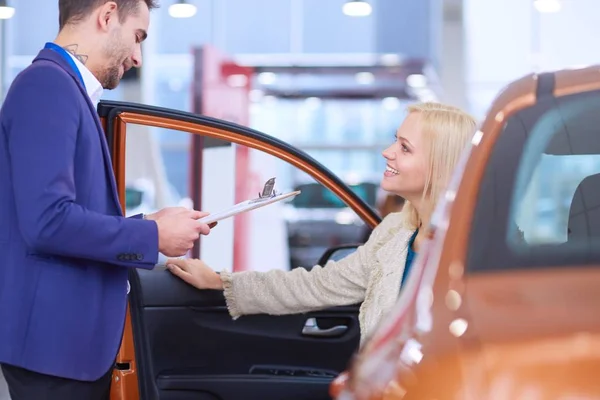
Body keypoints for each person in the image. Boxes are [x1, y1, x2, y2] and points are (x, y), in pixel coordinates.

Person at [0, 1, 212, 399]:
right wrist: (151, 235)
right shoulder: (47, 86)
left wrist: (151, 223)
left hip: (61, 348)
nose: (137, 56)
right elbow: (47, 222)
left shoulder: (65, 89)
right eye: (138, 37)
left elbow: (64, 215)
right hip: (53, 351)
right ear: (107, 14)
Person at [166, 102, 477, 346]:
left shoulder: (483, 248)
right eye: (395, 140)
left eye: (404, 148)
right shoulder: (395, 232)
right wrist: (223, 283)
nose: (387, 152)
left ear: (440, 166)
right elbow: (316, 286)